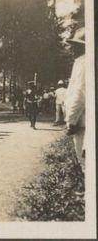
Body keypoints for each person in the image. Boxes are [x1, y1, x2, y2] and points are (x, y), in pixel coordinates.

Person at [64, 27, 85, 173]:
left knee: (84, 159)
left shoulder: (83, 64)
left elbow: (79, 93)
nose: (71, 49)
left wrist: (71, 120)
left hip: (81, 121)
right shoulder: (81, 62)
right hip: (81, 119)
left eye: (74, 46)